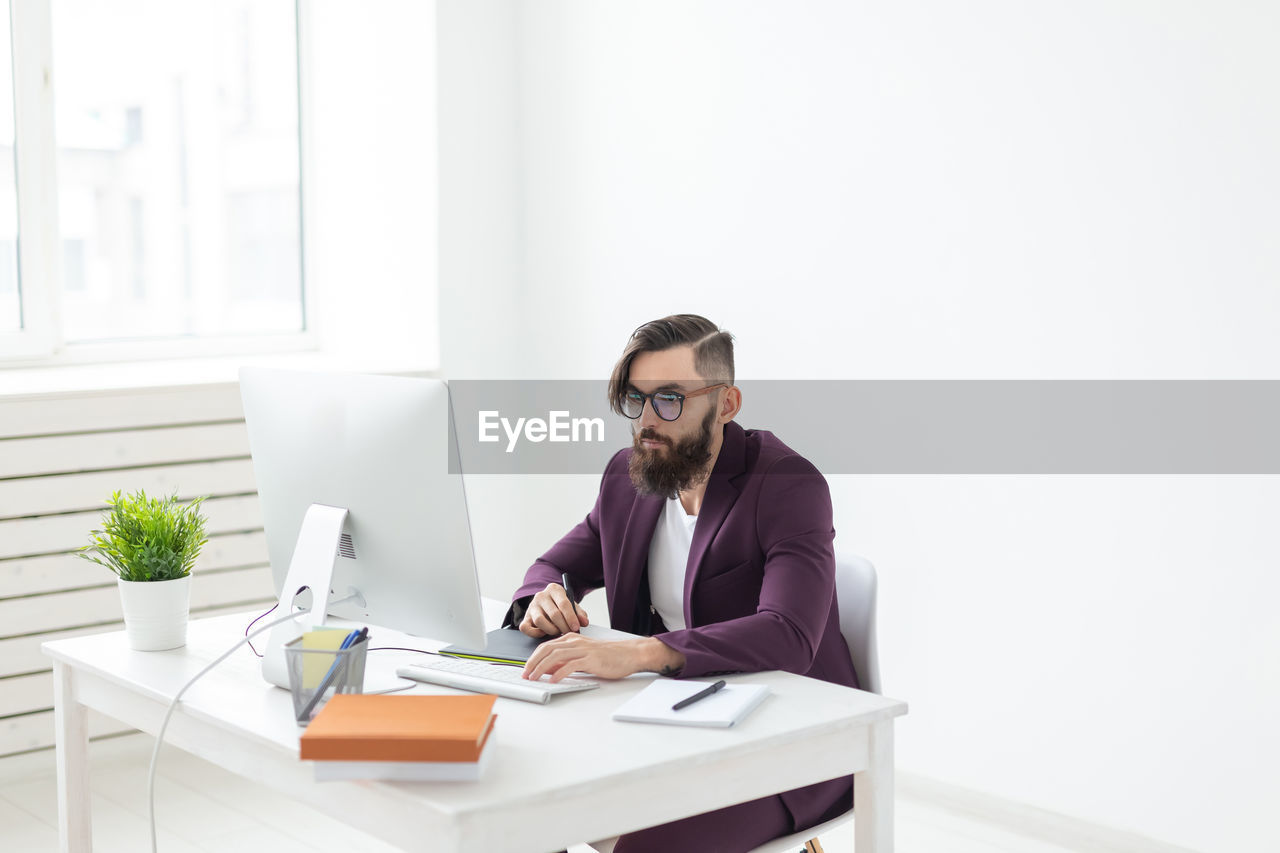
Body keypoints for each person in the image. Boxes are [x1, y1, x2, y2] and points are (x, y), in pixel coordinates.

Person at [508, 314, 859, 853]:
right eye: (637, 399)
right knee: (517, 813)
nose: (647, 419)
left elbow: (789, 634)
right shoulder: (631, 477)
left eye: (670, 399)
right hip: (667, 726)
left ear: (726, 404)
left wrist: (644, 653)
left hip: (787, 744)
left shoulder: (786, 483)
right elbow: (554, 567)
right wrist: (543, 599)